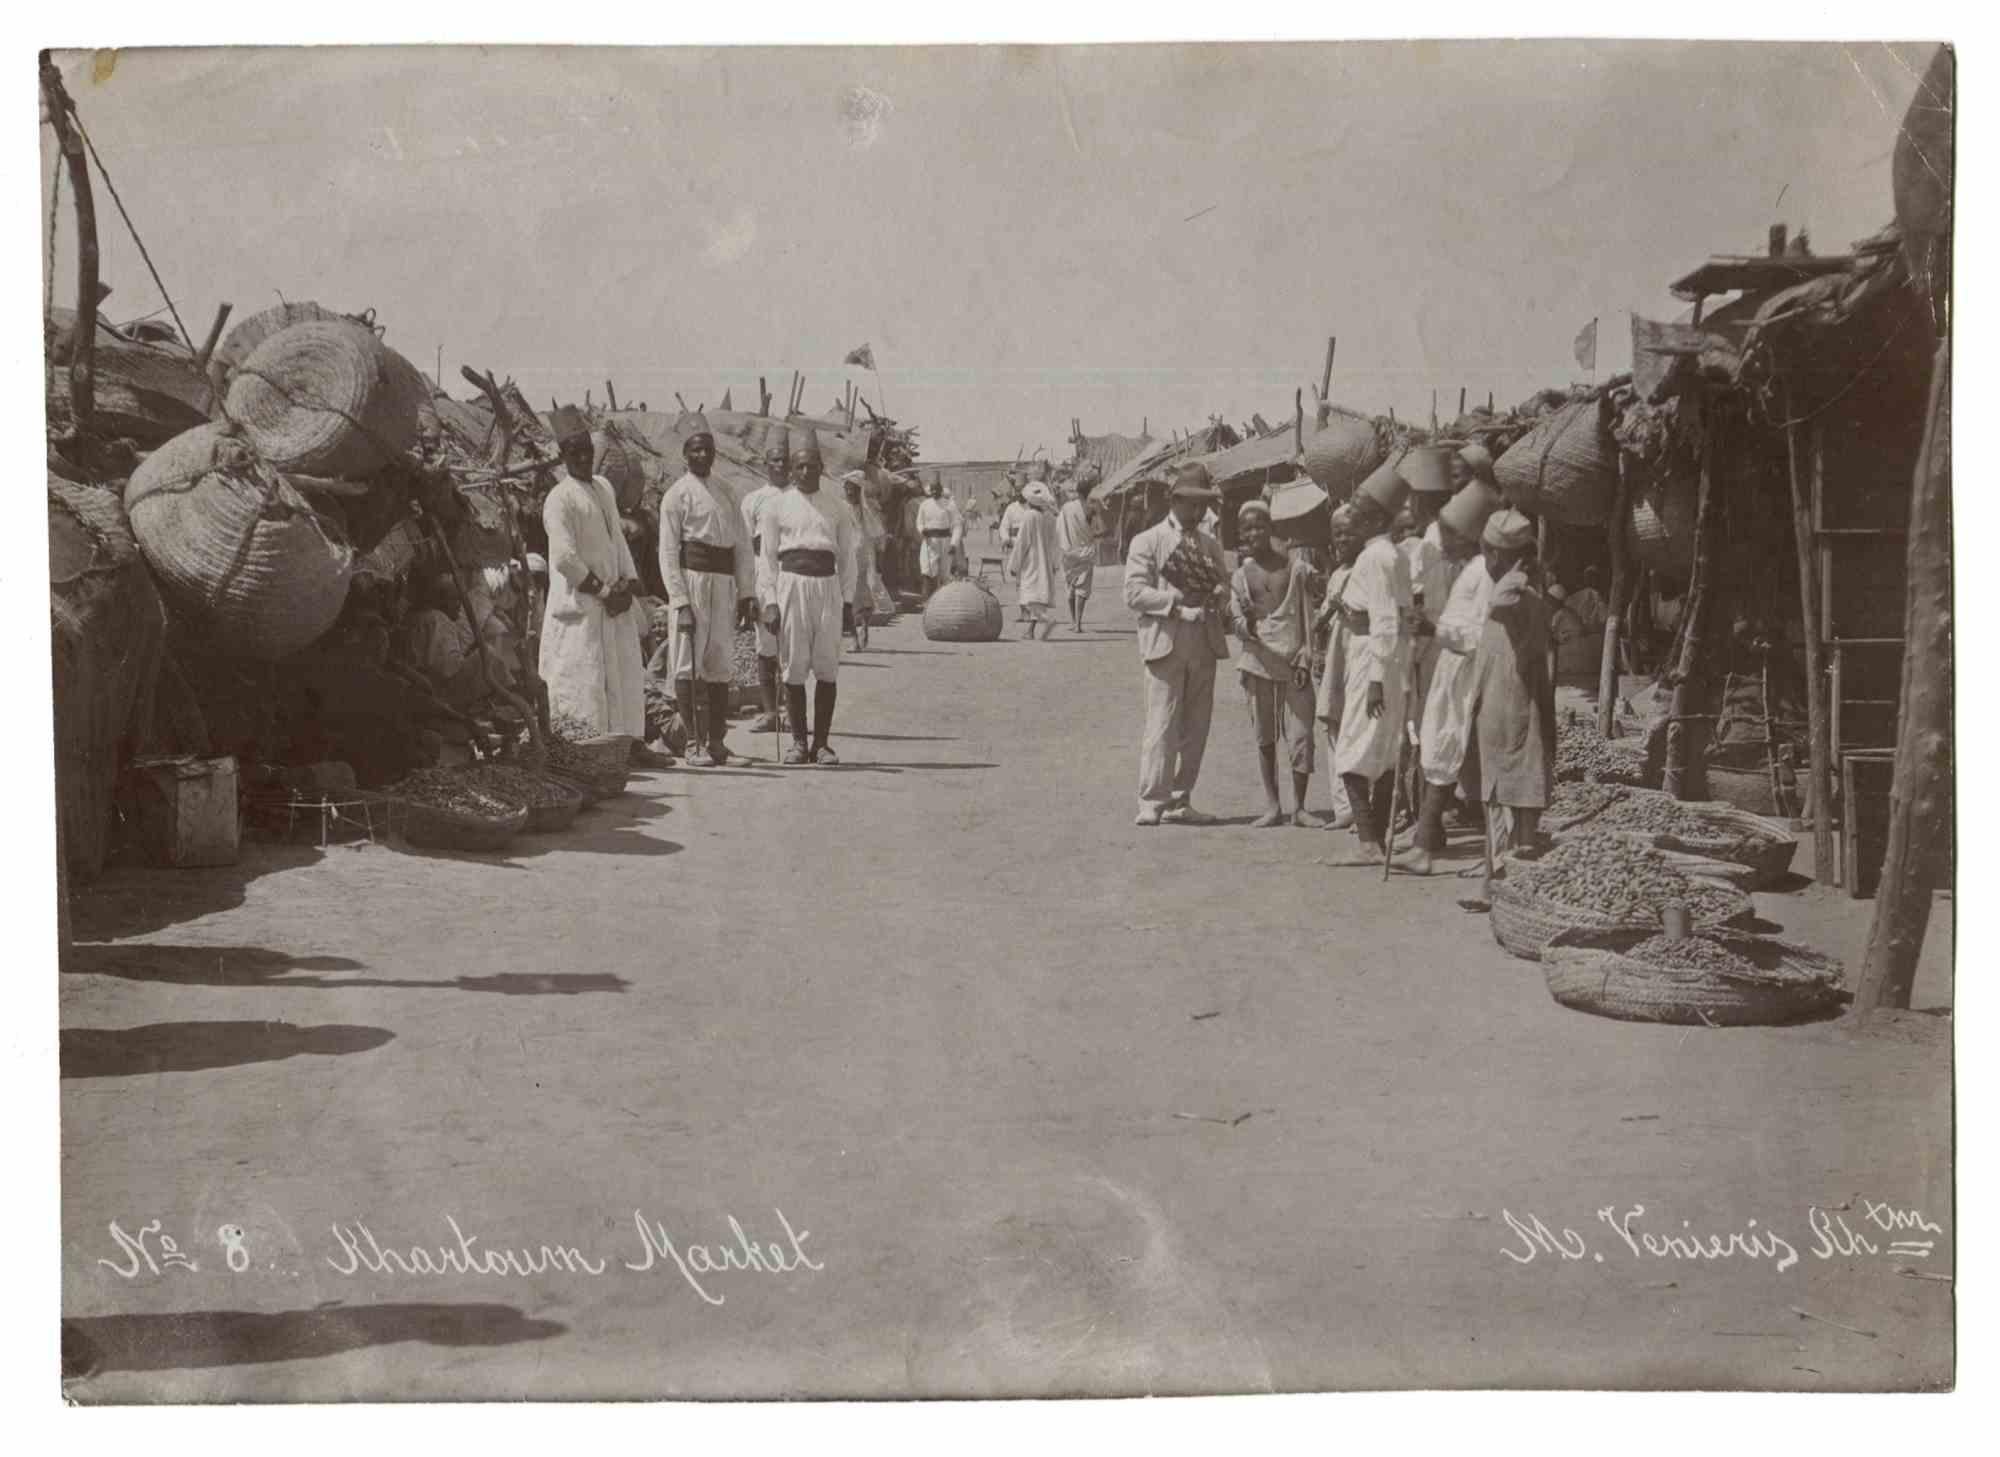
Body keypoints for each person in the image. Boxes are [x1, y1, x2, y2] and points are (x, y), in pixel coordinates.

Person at [1392, 475, 1502, 874]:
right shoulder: (1467, 569)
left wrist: (1433, 629)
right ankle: (1427, 838)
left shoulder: (1483, 574)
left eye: (1452, 535)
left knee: (1446, 751)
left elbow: (1478, 634)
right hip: (1449, 666)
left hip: (1466, 671)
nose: (1445, 542)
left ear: (1471, 537)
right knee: (1435, 747)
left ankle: (1431, 847)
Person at [1123, 462, 1232, 826]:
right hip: (1165, 641)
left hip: (1203, 641)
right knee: (1162, 723)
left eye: (1204, 505)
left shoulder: (1210, 544)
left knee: (1196, 725)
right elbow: (1134, 593)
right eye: (1192, 504)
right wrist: (1174, 607)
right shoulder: (1148, 541)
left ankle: (1181, 799)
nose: (1198, 512)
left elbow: (1225, 587)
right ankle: (1152, 800)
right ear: (1175, 500)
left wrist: (1220, 594)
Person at [1320, 456, 1413, 865]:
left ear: (1375, 520)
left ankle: (1369, 841)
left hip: (1371, 658)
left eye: (1358, 512)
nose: (1351, 518)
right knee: (1382, 747)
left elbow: (1386, 620)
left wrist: (1375, 677)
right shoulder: (1390, 555)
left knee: (1353, 750)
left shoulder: (1376, 558)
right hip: (1384, 659)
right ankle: (1374, 834)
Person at [540, 405, 646, 741]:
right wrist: (603, 591)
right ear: (563, 456)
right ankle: (587, 747)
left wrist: (626, 584)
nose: (584, 459)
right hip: (581, 605)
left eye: (588, 452)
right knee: (582, 679)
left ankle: (628, 742)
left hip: (613, 601)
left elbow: (617, 538)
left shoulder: (603, 488)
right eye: (575, 453)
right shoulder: (558, 499)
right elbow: (565, 559)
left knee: (623, 675)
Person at [659, 411, 756, 767]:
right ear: (685, 453)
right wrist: (680, 600)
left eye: (708, 449)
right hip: (692, 581)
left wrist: (746, 592)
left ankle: (717, 742)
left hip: (723, 584)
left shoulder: (728, 492)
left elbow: (743, 546)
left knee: (719, 661)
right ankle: (692, 744)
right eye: (696, 450)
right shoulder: (676, 495)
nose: (703, 456)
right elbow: (668, 552)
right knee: (687, 664)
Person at [758, 424, 857, 766]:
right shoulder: (776, 507)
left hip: (826, 587)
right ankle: (799, 743)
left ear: (821, 468)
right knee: (794, 665)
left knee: (827, 666)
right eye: (798, 466)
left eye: (811, 465)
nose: (805, 471)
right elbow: (767, 560)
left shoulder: (837, 507)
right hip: (791, 586)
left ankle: (823, 744)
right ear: (790, 469)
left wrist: (846, 602)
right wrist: (769, 601)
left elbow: (848, 558)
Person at [1468, 508, 1557, 858]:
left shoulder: (1520, 595)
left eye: (1488, 552)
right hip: (1500, 700)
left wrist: (1516, 572)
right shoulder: (1523, 593)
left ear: (1498, 555)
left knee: (1515, 788)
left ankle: (1510, 871)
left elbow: (1498, 602)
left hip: (1514, 704)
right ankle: (1496, 878)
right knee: (1503, 792)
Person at [1230, 499, 1322, 828]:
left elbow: (1308, 614)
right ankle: (1273, 806)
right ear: (1240, 533)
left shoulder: (1294, 568)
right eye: (1247, 528)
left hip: (1294, 660)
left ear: (1270, 529)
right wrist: (1247, 623)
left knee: (1301, 736)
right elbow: (1237, 621)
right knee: (1264, 736)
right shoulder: (1240, 577)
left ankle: (1299, 807)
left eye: (1259, 526)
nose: (1254, 532)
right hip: (1258, 661)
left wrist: (1307, 654)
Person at [738, 424, 793, 734]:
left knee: (794, 647)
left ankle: (793, 712)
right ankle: (770, 711)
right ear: (765, 464)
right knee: (766, 645)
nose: (780, 466)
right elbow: (745, 547)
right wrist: (746, 591)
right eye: (774, 460)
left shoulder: (801, 497)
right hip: (764, 575)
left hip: (793, 574)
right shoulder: (753, 500)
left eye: (784, 459)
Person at [1008, 480, 1063, 640]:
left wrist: (1014, 565)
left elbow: (1021, 542)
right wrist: (1054, 562)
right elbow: (1055, 542)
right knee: (1037, 594)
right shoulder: (1050, 517)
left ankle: (1047, 620)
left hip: (1031, 559)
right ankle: (1031, 631)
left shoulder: (1029, 516)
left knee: (1028, 594)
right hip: (1045, 560)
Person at [1056, 468, 1101, 633]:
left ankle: (1072, 621)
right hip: (1086, 553)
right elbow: (1099, 530)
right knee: (1082, 588)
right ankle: (1078, 624)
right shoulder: (1092, 508)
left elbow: (1059, 527)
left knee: (1070, 586)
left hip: (1068, 553)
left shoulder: (1066, 508)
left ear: (1077, 491)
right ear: (1089, 492)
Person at [916, 476, 959, 598]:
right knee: (927, 570)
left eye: (937, 490)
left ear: (941, 490)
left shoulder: (949, 505)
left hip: (945, 541)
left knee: (944, 572)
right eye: (932, 490)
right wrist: (922, 530)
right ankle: (927, 600)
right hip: (929, 542)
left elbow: (957, 525)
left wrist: (954, 543)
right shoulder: (924, 504)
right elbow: (919, 522)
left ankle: (943, 600)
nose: (934, 492)